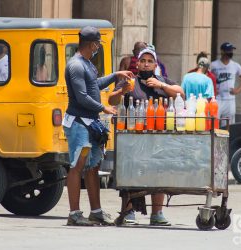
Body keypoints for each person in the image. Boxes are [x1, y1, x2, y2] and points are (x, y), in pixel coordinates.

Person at [63, 26, 133, 226]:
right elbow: (81, 96)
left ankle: (96, 212)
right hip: (78, 122)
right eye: (97, 45)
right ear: (92, 44)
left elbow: (94, 85)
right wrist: (104, 108)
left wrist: (115, 75)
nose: (97, 48)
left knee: (93, 167)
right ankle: (74, 214)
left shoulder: (87, 64)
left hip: (90, 123)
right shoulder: (76, 65)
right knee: (77, 166)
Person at [108, 48, 184, 226]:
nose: (146, 63)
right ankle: (128, 212)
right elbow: (111, 100)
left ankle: (157, 214)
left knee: (159, 172)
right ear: (138, 63)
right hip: (133, 137)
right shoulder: (130, 81)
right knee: (130, 173)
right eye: (143, 60)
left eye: (150, 61)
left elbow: (181, 93)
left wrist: (161, 86)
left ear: (155, 64)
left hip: (158, 137)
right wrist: (122, 91)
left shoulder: (162, 81)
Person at [211, 42, 241, 125]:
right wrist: (212, 90)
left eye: (231, 50)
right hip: (217, 99)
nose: (230, 52)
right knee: (214, 124)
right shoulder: (213, 65)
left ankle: (226, 138)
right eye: (228, 50)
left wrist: (237, 91)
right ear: (222, 51)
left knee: (228, 126)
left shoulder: (235, 66)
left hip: (230, 100)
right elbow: (207, 79)